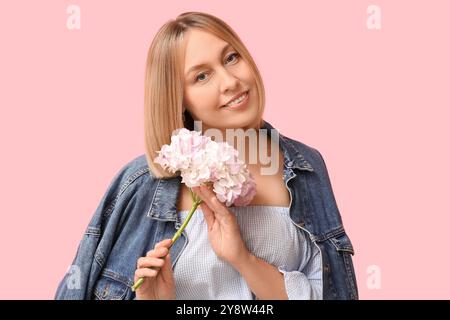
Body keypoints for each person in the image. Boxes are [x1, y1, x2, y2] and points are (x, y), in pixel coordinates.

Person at [55, 11, 358, 300]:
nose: (231, 82)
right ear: (179, 98)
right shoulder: (139, 185)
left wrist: (243, 259)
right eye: (201, 76)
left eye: (231, 57)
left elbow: (332, 290)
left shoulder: (306, 166)